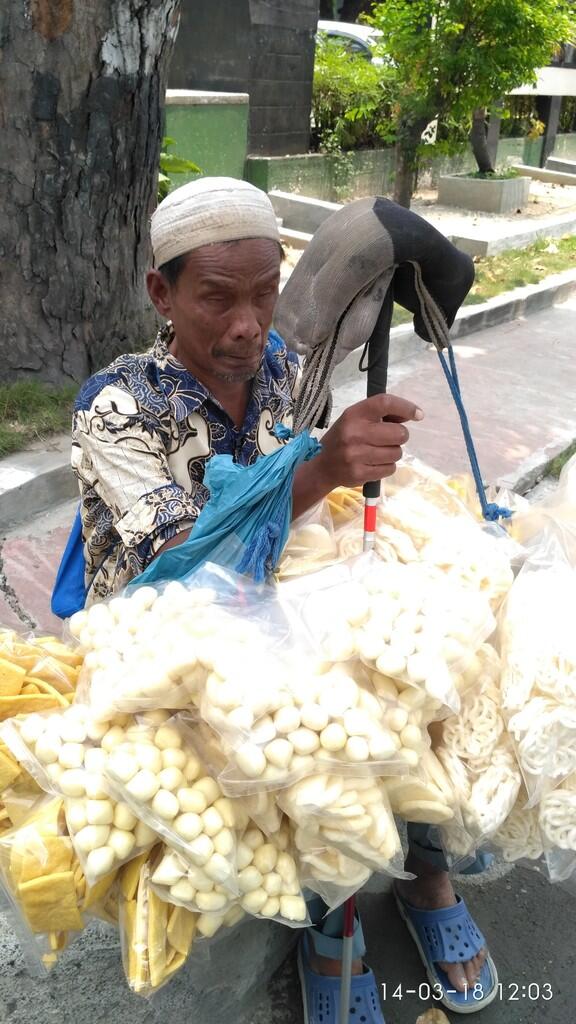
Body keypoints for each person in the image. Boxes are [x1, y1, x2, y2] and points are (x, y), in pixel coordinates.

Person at [71, 177, 497, 1022]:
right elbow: (185, 564)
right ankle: (328, 921)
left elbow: (301, 514)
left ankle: (429, 875)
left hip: (276, 606)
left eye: (265, 295)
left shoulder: (283, 372)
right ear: (162, 292)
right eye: (217, 299)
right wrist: (325, 468)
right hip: (162, 647)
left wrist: (355, 490)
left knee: (420, 662)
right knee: (303, 739)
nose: (247, 325)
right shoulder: (117, 407)